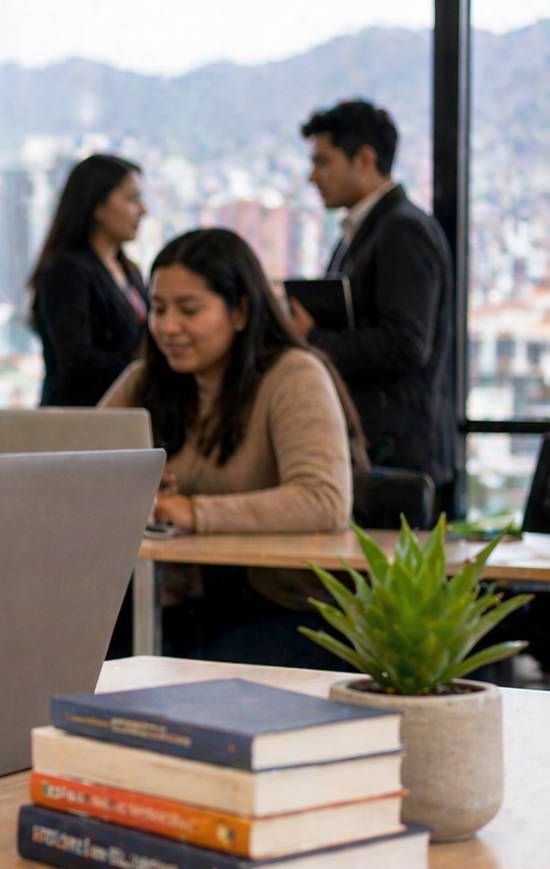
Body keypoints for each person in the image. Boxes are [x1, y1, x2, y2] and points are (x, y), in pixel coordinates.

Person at [101, 228, 367, 668]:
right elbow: (80, 462)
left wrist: (193, 511)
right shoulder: (145, 379)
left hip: (289, 608)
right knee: (71, 652)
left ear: (240, 310)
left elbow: (323, 501)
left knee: (193, 669)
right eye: (159, 309)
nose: (168, 327)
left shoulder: (293, 375)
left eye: (189, 310)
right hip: (171, 599)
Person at [292, 99, 456, 514]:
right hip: (379, 449)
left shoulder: (402, 230)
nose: (313, 177)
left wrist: (311, 338)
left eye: (323, 162)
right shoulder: (363, 230)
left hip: (398, 457)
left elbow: (405, 343)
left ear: (364, 159)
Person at [29, 154, 150, 407]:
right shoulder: (67, 271)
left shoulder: (130, 271)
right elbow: (77, 360)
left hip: (123, 413)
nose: (143, 210)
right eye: (132, 199)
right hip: (81, 420)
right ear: (97, 205)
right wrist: (147, 370)